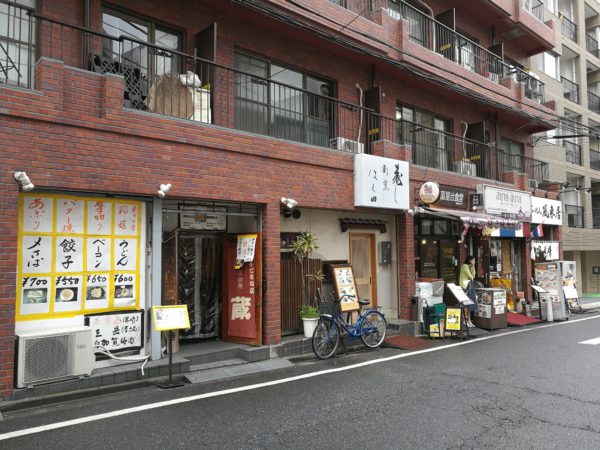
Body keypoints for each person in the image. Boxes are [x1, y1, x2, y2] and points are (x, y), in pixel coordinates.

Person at [459, 255, 478, 327]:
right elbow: (471, 276)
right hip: (465, 287)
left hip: (470, 286)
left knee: (470, 303)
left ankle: (469, 320)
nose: (474, 262)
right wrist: (472, 267)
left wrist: (473, 267)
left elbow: (474, 276)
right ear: (470, 260)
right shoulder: (464, 266)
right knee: (465, 304)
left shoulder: (470, 267)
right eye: (473, 260)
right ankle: (464, 320)